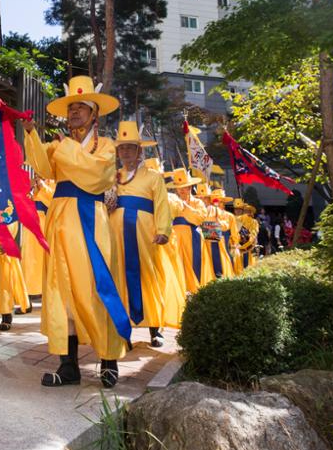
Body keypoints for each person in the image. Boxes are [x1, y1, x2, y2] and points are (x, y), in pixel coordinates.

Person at [23, 76, 128, 388]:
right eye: (71, 108)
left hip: (91, 221)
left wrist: (64, 147)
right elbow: (42, 166)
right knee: (60, 292)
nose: (74, 113)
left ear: (94, 114)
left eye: (80, 107)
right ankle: (68, 366)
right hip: (60, 220)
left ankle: (109, 361)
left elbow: (95, 177)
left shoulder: (106, 146)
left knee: (96, 287)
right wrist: (30, 134)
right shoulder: (58, 145)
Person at [110, 122, 182, 348]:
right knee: (119, 276)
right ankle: (123, 330)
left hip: (144, 234)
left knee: (148, 277)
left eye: (131, 147)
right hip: (117, 234)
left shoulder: (153, 177)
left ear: (140, 150)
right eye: (122, 148)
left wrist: (163, 230)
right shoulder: (113, 177)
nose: (126, 152)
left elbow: (162, 205)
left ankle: (155, 328)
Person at [167, 168, 211, 292]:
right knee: (177, 264)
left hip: (192, 237)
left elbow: (200, 218)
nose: (181, 189)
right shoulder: (171, 201)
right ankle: (179, 291)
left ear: (190, 187)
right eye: (179, 187)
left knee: (194, 265)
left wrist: (185, 207)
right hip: (174, 237)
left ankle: (195, 290)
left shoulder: (197, 202)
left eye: (185, 186)